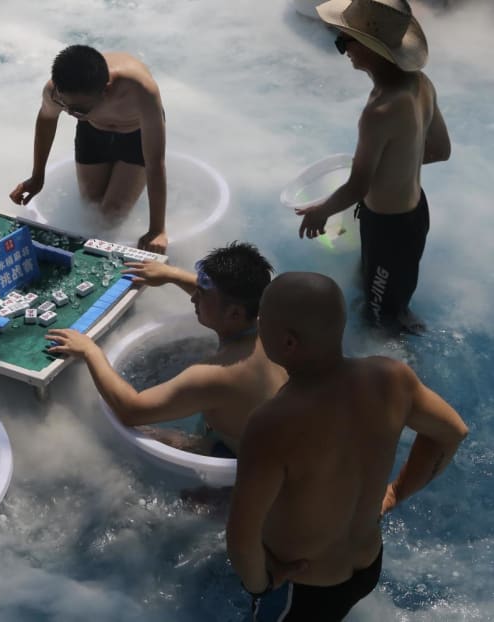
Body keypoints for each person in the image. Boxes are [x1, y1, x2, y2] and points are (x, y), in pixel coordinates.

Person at [227, 272, 468, 621]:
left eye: (263, 318)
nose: (258, 323)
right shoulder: (391, 378)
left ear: (288, 342)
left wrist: (262, 586)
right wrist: (397, 492)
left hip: (304, 588)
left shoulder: (273, 423)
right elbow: (452, 433)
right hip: (368, 565)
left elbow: (241, 537)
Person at [295, 0, 450, 333]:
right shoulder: (421, 83)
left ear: (368, 47)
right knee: (380, 292)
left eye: (343, 40)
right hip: (413, 215)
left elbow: (358, 186)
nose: (342, 49)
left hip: (389, 229)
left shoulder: (379, 111)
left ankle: (398, 367)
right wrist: (396, 163)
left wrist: (321, 211)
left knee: (379, 321)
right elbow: (440, 150)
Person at [46, 242, 287, 457]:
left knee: (138, 433)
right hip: (265, 437)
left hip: (236, 462)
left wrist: (91, 351)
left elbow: (131, 411)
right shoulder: (271, 324)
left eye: (201, 296)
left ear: (234, 313)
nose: (194, 299)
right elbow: (222, 299)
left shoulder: (217, 374)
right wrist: (172, 274)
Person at [9, 45, 168, 253]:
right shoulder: (54, 92)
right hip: (93, 133)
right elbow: (47, 120)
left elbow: (155, 161)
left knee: (111, 214)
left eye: (81, 110)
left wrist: (157, 230)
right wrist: (37, 176)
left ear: (107, 89)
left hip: (135, 135)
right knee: (90, 208)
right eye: (67, 107)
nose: (72, 113)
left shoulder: (140, 91)